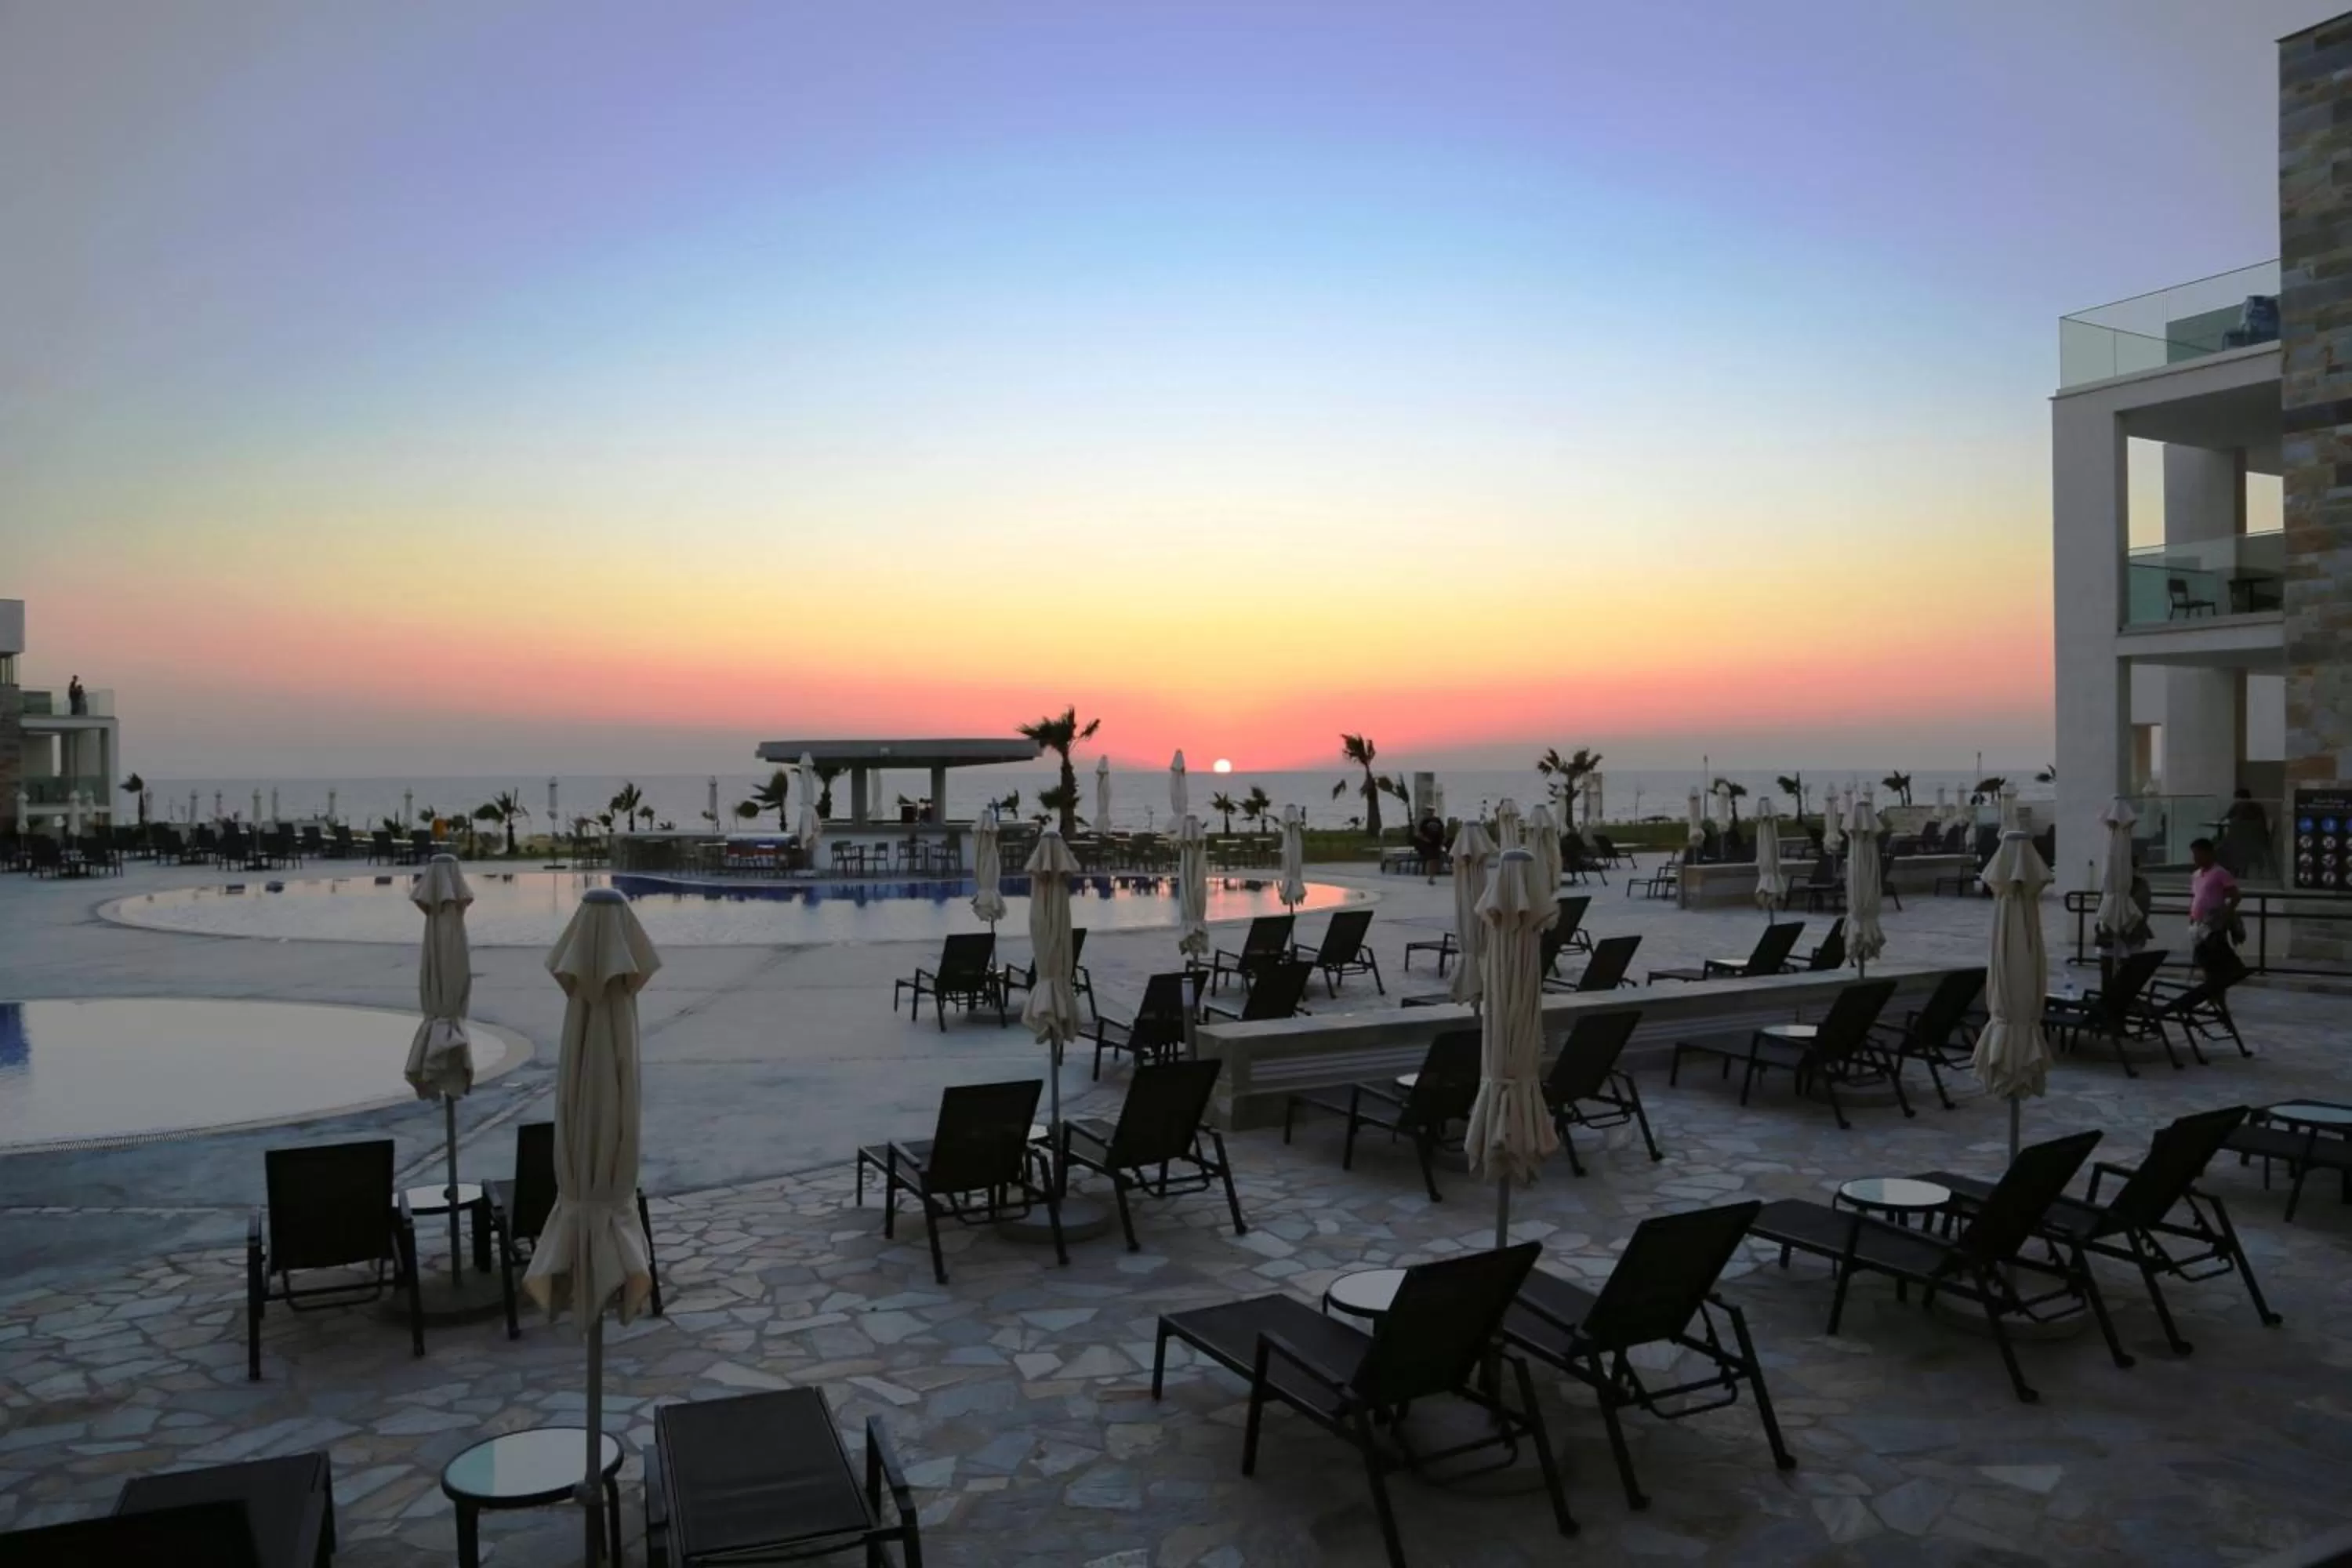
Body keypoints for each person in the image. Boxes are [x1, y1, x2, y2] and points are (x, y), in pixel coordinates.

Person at [2187, 837, 2247, 984]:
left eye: (2198, 854)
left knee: (2216, 960)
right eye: (2194, 854)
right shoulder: (2196, 875)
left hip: (2213, 924)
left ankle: (2219, 987)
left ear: (2208, 853)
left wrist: (2226, 913)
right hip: (2198, 924)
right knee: (2204, 960)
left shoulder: (2220, 873)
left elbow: (2235, 896)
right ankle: (2211, 988)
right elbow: (2196, 897)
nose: (2195, 858)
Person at [1414, 808, 1447, 884]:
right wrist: (1425, 839)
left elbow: (1442, 831)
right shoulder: (1424, 821)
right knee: (1430, 859)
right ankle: (1430, 877)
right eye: (1429, 811)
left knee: (1436, 860)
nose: (1430, 813)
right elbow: (1419, 833)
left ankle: (1433, 875)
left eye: (1432, 811)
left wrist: (1443, 840)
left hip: (1437, 843)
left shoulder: (1438, 820)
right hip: (1428, 844)